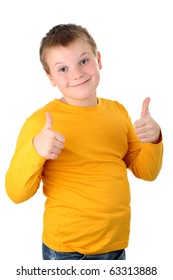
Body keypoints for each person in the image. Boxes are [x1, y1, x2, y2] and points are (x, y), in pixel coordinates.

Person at [5, 24, 163, 260]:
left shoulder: (118, 111)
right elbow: (16, 194)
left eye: (83, 61)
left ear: (98, 59)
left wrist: (155, 138)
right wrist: (36, 148)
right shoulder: (40, 122)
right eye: (62, 69)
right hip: (67, 251)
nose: (76, 73)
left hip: (116, 247)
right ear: (50, 77)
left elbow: (147, 172)